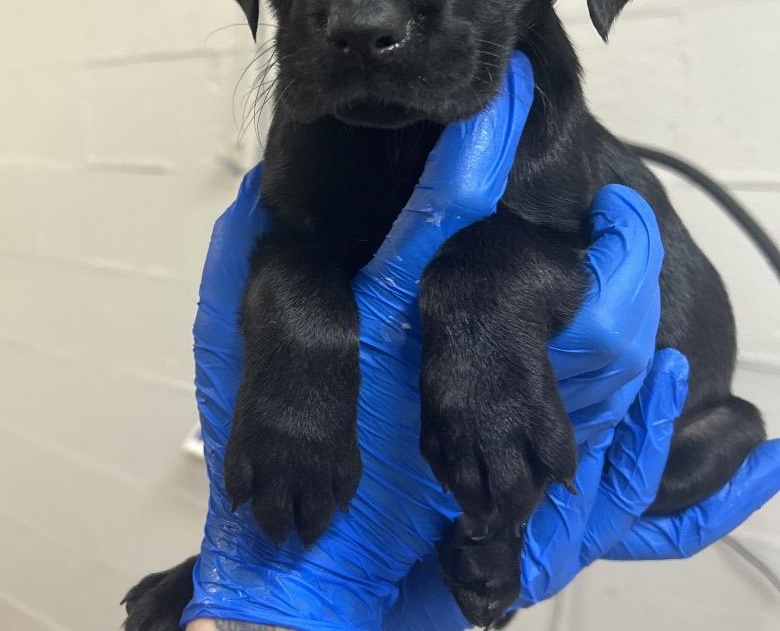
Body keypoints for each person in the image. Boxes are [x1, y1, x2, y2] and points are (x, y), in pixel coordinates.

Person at [181, 56, 780, 630]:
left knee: (720, 436)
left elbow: (567, 271)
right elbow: (304, 263)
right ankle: (304, 576)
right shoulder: (318, 137)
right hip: (441, 484)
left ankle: (483, 536)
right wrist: (257, 598)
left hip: (672, 431)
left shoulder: (538, 138)